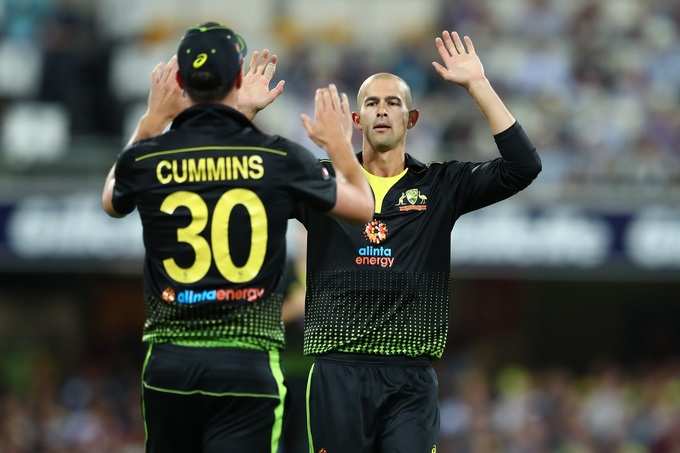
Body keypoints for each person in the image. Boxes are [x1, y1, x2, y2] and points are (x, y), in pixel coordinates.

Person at [101, 22, 372, 453]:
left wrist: (152, 119)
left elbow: (111, 198)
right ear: (241, 79)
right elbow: (362, 207)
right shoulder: (278, 157)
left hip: (169, 363)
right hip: (247, 366)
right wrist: (340, 145)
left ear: (179, 83)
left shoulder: (148, 157)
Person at [299, 30, 542, 452]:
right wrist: (242, 115)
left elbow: (523, 166)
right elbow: (252, 183)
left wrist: (477, 85)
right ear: (355, 120)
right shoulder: (321, 180)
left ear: (411, 119)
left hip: (410, 377)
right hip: (337, 371)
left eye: (394, 103)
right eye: (371, 103)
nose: (381, 111)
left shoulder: (440, 184)